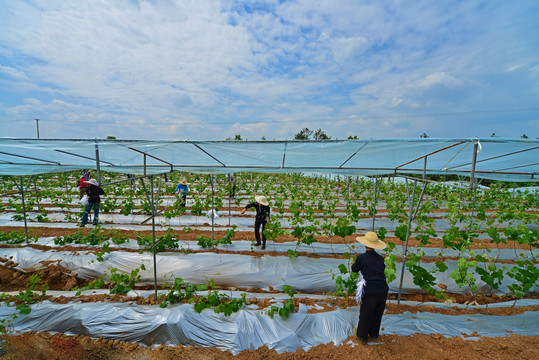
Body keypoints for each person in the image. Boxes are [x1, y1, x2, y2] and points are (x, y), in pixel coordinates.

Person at [351, 231, 388, 344]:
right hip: (382, 290)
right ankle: (374, 334)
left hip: (370, 290)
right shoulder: (380, 258)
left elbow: (354, 269)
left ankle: (362, 336)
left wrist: (354, 262)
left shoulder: (361, 258)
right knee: (377, 313)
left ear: (365, 244)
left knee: (366, 313)